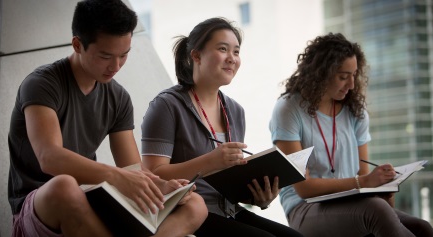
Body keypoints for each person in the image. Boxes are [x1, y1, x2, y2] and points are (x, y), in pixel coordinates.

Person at [7, 0, 207, 236]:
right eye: (105, 56)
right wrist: (114, 176)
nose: (116, 66)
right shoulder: (42, 84)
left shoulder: (118, 97)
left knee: (195, 205)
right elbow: (49, 158)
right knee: (64, 186)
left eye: (124, 55)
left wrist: (160, 186)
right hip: (40, 205)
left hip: (89, 199)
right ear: (78, 44)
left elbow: (132, 170)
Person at [140, 17, 303, 237]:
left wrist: (258, 197)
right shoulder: (166, 106)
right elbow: (153, 174)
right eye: (223, 49)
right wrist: (211, 161)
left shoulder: (235, 111)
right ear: (196, 55)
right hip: (187, 210)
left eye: (236, 52)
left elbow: (230, 185)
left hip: (228, 210)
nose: (232, 59)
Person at [269, 32, 433, 237]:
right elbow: (304, 188)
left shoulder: (355, 111)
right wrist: (364, 183)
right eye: (343, 77)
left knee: (423, 228)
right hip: (305, 208)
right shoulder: (289, 109)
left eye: (354, 75)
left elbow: (363, 175)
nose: (352, 85)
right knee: (377, 211)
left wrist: (383, 186)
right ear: (320, 73)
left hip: (352, 202)